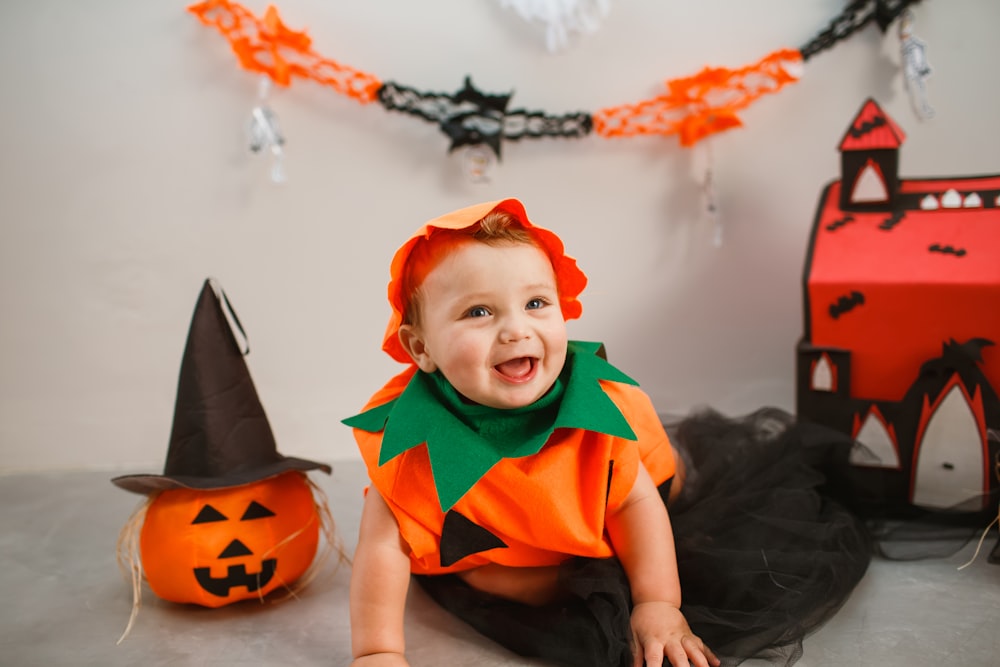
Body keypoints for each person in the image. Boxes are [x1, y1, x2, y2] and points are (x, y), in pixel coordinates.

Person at [344, 198, 871, 667]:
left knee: (676, 526)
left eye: (536, 303)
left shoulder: (596, 417)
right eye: (478, 312)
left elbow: (633, 506)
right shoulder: (408, 446)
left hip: (605, 545)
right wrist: (378, 651)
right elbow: (382, 550)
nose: (516, 329)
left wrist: (657, 605)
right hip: (502, 569)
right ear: (421, 350)